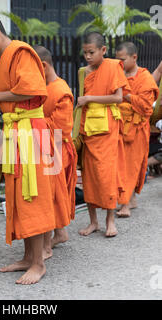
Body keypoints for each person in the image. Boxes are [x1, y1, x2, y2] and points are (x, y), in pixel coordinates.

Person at [0, 12, 57, 285]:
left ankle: (39, 263)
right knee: (18, 195)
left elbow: (32, 89)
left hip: (32, 131)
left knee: (34, 195)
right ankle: (28, 257)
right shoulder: (6, 58)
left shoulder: (20, 51)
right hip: (16, 132)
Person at [76, 32, 130, 237]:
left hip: (107, 128)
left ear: (103, 50)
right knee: (89, 176)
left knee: (106, 176)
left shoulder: (112, 67)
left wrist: (89, 98)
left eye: (91, 52)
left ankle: (110, 220)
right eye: (85, 52)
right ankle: (93, 222)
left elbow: (118, 98)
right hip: (89, 128)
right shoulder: (84, 72)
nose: (88, 56)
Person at [33, 45, 77, 253]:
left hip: (58, 149)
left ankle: (47, 243)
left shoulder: (61, 91)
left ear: (42, 65)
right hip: (43, 146)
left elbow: (62, 127)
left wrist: (33, 122)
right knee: (52, 194)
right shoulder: (41, 88)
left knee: (50, 195)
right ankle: (60, 233)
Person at [115, 42, 159, 217]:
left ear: (134, 57)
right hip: (119, 126)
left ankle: (125, 204)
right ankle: (129, 199)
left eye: (123, 59)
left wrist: (124, 96)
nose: (120, 63)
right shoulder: (118, 75)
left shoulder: (145, 78)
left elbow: (147, 108)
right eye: (117, 59)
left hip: (136, 128)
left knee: (131, 166)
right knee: (120, 166)